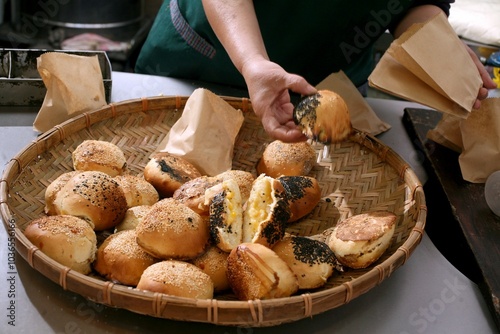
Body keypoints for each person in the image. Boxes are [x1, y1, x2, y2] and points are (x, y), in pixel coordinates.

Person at [135, 0, 496, 142]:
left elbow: (410, 3)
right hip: (209, 61)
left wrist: (435, 47)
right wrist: (253, 62)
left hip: (330, 82)